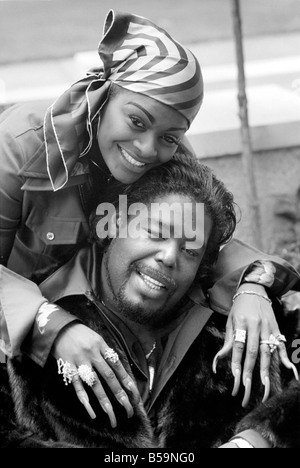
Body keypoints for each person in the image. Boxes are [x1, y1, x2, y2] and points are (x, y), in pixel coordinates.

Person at [0, 9, 298, 417]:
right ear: (106, 94)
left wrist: (252, 287)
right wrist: (50, 325)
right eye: (136, 120)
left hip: (111, 329)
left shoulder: (171, 159)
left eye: (169, 137)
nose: (146, 149)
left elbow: (201, 240)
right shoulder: (19, 146)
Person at [1, 153, 299, 448]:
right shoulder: (24, 316)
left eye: (190, 251)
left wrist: (257, 439)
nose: (169, 257)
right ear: (114, 224)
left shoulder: (237, 314)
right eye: (156, 232)